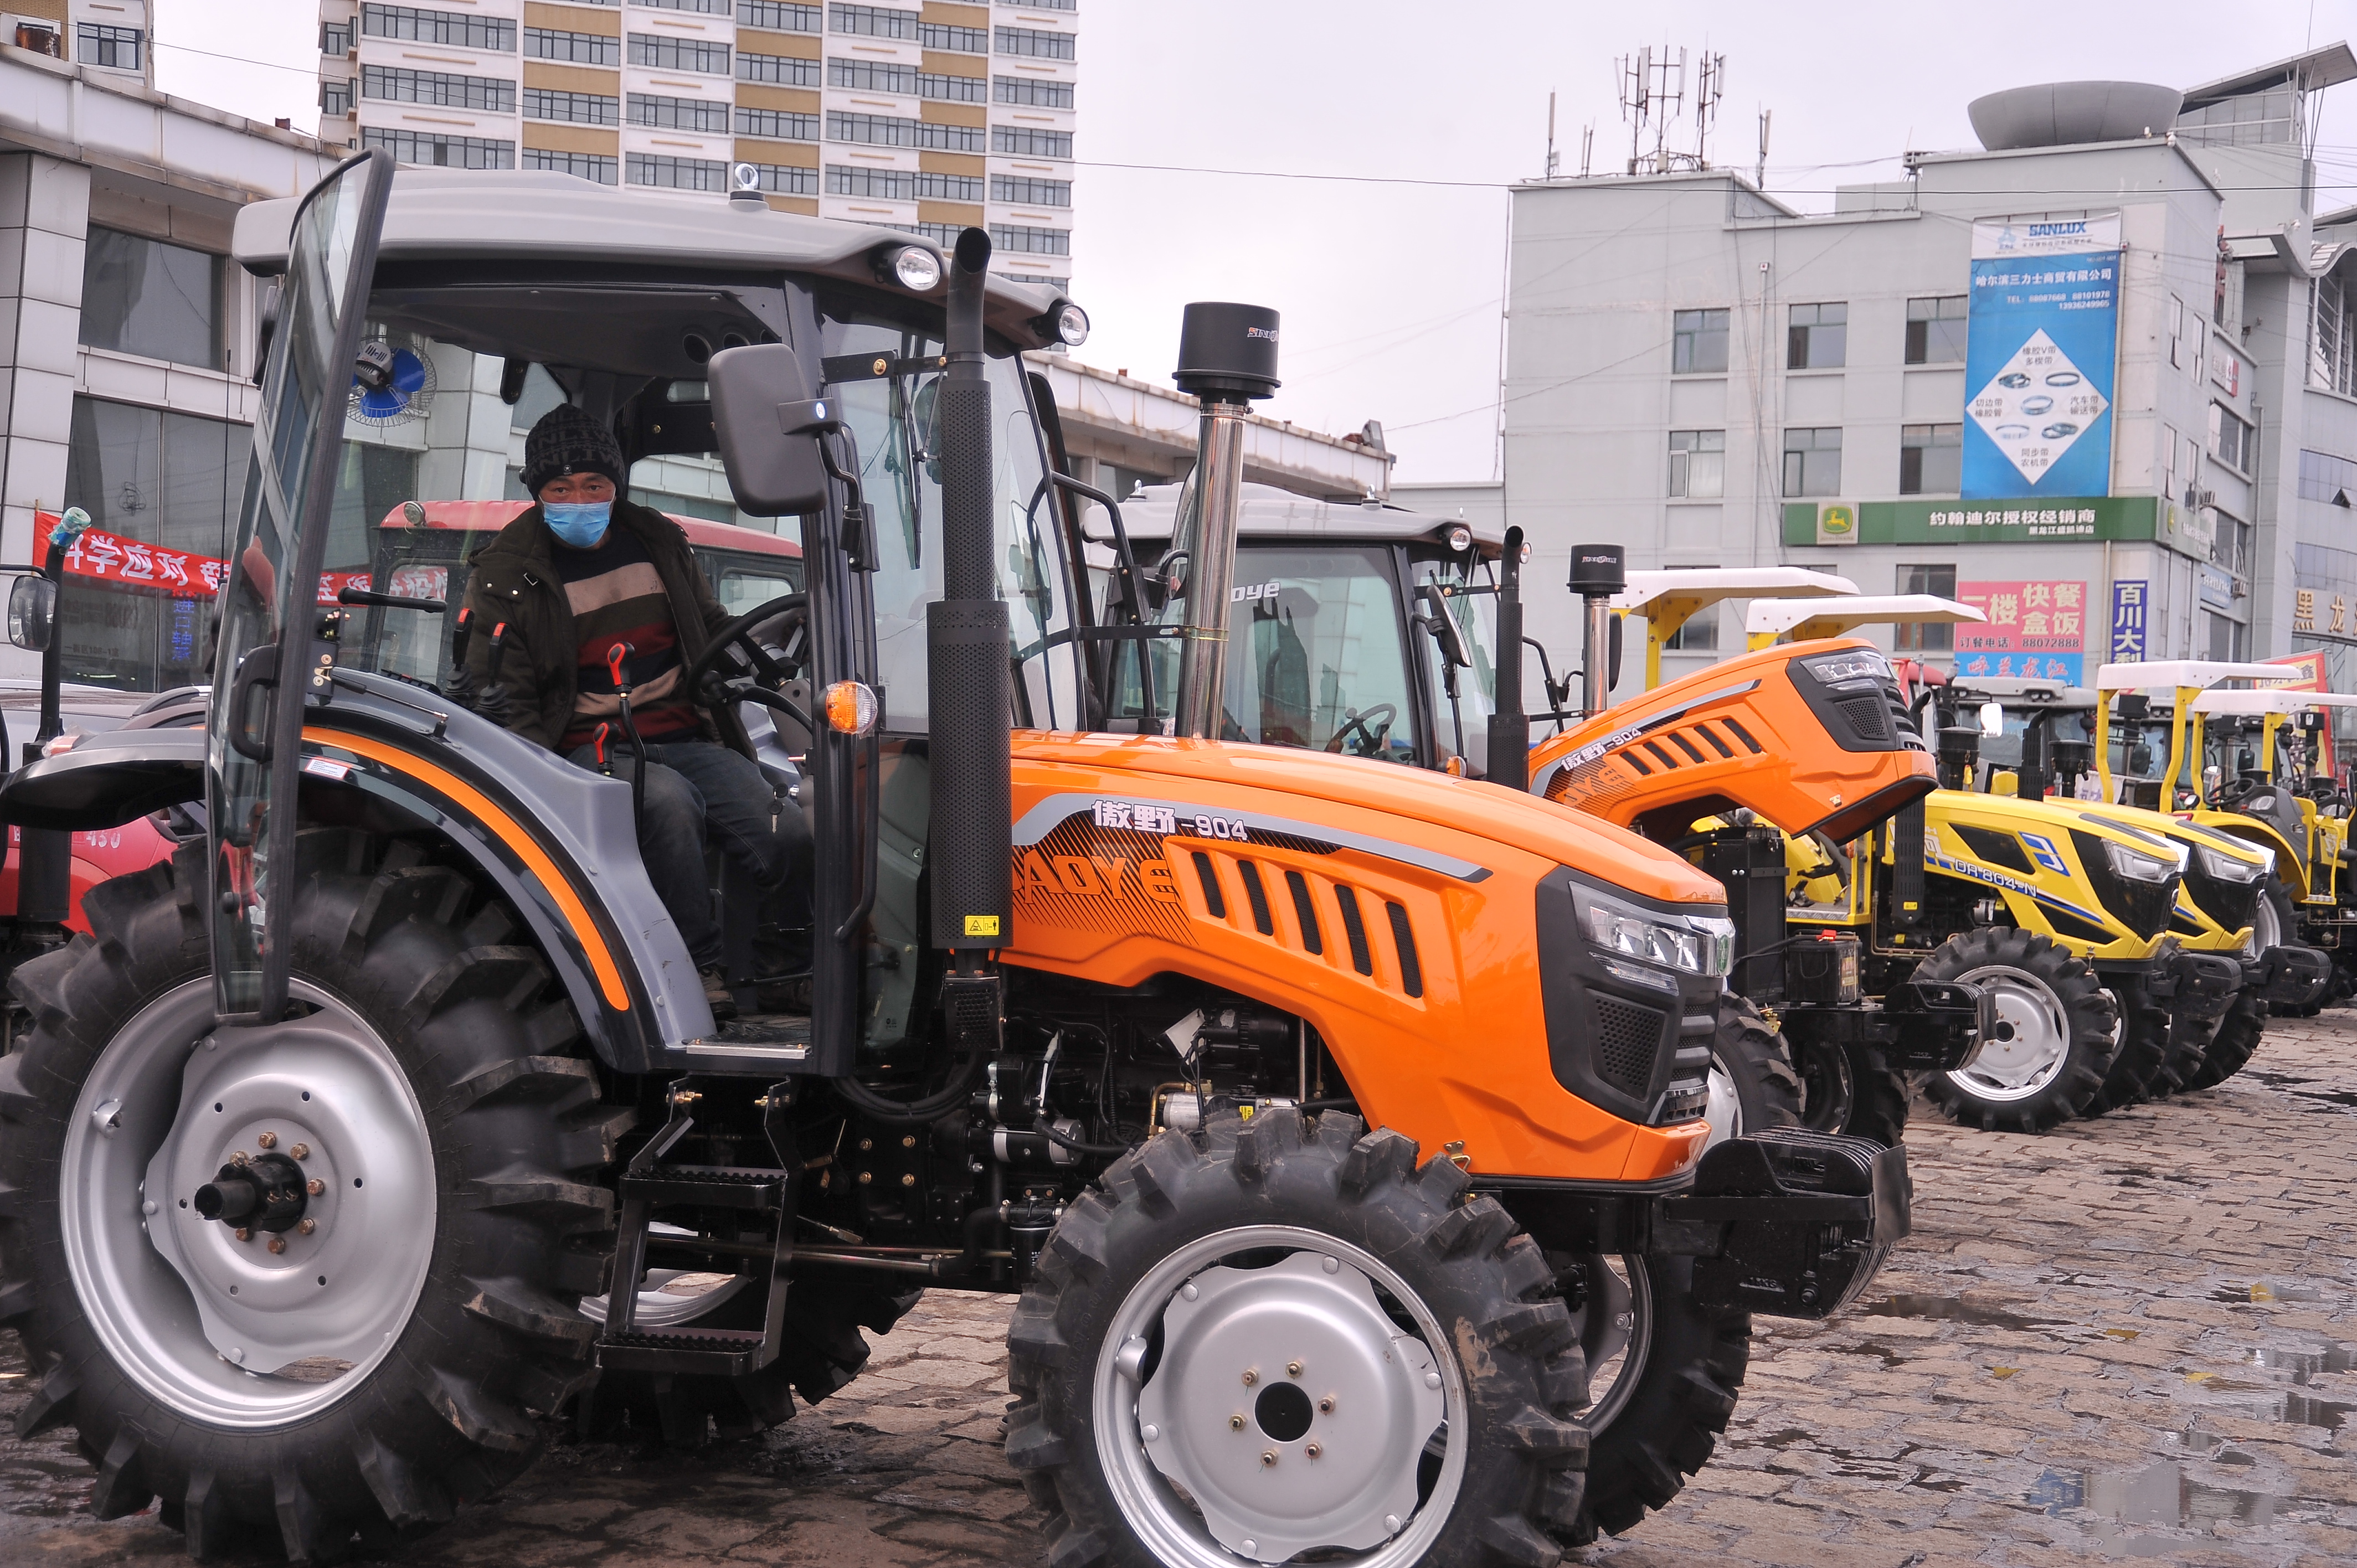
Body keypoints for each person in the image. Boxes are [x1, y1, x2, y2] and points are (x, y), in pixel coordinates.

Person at [461, 403, 809, 1020]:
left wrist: (764, 651)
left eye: (593, 485)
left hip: (684, 730)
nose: (579, 499)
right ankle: (695, 970)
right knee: (668, 806)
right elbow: (506, 698)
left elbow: (706, 624)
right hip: (584, 747)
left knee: (780, 823)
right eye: (560, 488)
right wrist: (539, 788)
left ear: (615, 485)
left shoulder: (656, 539)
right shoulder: (506, 576)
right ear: (536, 492)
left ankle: (780, 968)